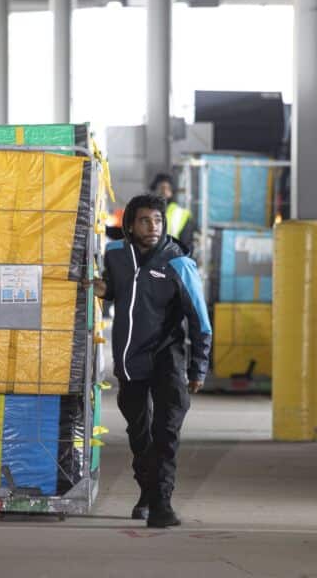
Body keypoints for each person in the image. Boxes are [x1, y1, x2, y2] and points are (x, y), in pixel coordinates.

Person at [90, 193, 211, 528]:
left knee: (166, 433)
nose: (152, 226)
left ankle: (161, 504)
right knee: (139, 433)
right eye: (145, 220)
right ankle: (148, 493)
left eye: (157, 220)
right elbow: (117, 290)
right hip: (130, 359)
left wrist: (198, 367)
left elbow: (200, 320)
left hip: (168, 359)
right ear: (130, 225)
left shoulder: (178, 263)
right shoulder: (116, 255)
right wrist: (100, 289)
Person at [150, 173, 196, 255]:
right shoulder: (144, 213)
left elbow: (187, 247)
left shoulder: (182, 214)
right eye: (160, 188)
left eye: (166, 188)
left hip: (173, 262)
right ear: (154, 191)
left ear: (171, 192)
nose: (163, 192)